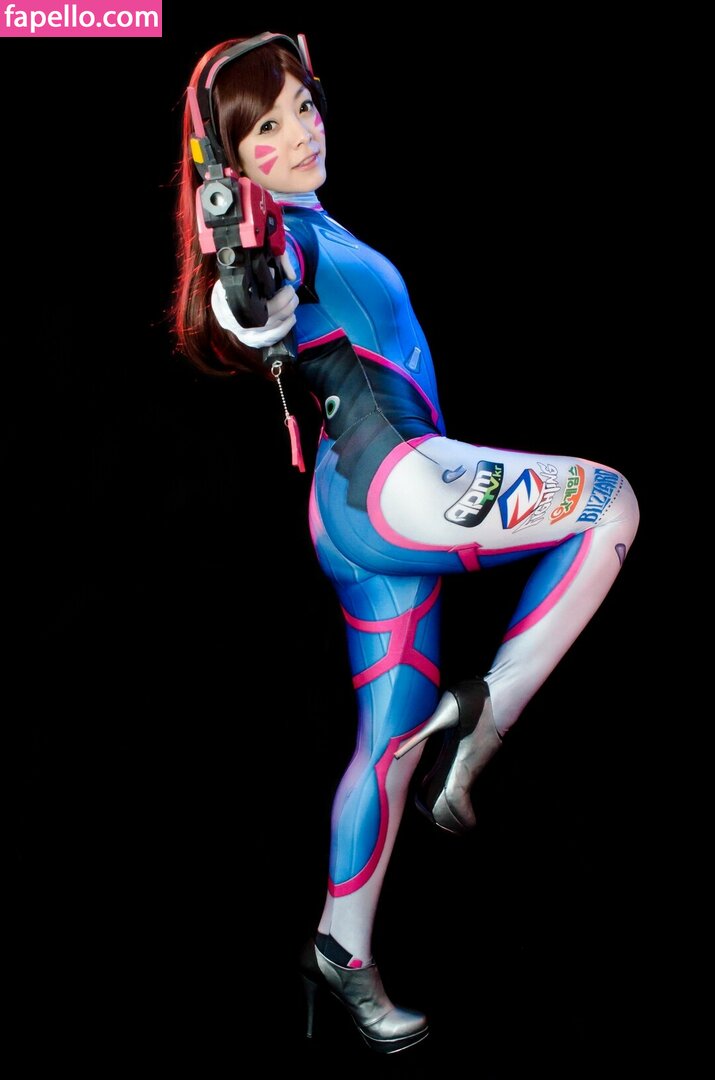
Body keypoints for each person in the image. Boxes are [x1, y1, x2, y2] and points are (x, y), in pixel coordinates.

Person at [171, 31, 639, 1056]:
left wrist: (255, 285)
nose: (300, 133)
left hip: (352, 519)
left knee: (384, 743)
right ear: (232, 165)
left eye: (302, 106)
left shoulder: (310, 221)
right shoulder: (280, 238)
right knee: (608, 504)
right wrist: (245, 290)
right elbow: (253, 303)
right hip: (397, 488)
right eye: (266, 129)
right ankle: (482, 722)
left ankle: (339, 952)